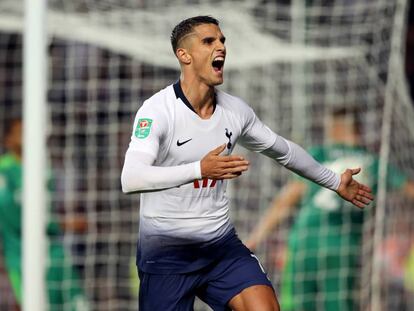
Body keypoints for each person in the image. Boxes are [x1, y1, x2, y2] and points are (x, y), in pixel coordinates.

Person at [121, 16, 373, 311]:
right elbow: (131, 178)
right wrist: (199, 170)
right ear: (184, 55)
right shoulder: (157, 111)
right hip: (166, 255)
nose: (221, 47)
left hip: (219, 248)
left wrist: (334, 181)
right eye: (208, 41)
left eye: (222, 40)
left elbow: (284, 151)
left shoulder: (235, 111)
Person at [246, 107, 414, 311]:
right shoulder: (374, 163)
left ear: (334, 130)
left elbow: (286, 200)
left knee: (297, 304)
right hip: (344, 246)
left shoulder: (319, 154)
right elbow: (409, 189)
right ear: (358, 130)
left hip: (305, 244)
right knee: (340, 304)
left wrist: (256, 237)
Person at [0, 119, 89, 311]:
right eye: (19, 132)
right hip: (21, 255)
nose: (25, 136)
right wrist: (66, 224)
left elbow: (47, 210)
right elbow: (15, 220)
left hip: (53, 250)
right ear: (7, 140)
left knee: (75, 304)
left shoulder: (43, 168)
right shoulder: (3, 171)